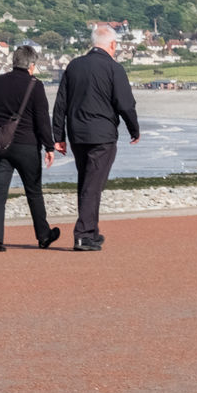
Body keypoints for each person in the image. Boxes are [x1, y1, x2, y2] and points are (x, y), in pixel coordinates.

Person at [52, 24, 140, 251]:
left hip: (78, 134)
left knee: (87, 182)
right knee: (93, 184)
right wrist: (134, 129)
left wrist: (58, 136)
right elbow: (126, 104)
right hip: (102, 135)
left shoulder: (74, 66)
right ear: (112, 45)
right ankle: (82, 234)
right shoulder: (114, 68)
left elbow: (60, 103)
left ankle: (91, 231)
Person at [0, 45, 60, 252]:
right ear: (32, 65)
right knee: (33, 191)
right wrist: (49, 146)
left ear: (14, 62)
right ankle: (44, 236)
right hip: (26, 145)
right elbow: (42, 119)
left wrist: (1, 129)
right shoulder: (35, 85)